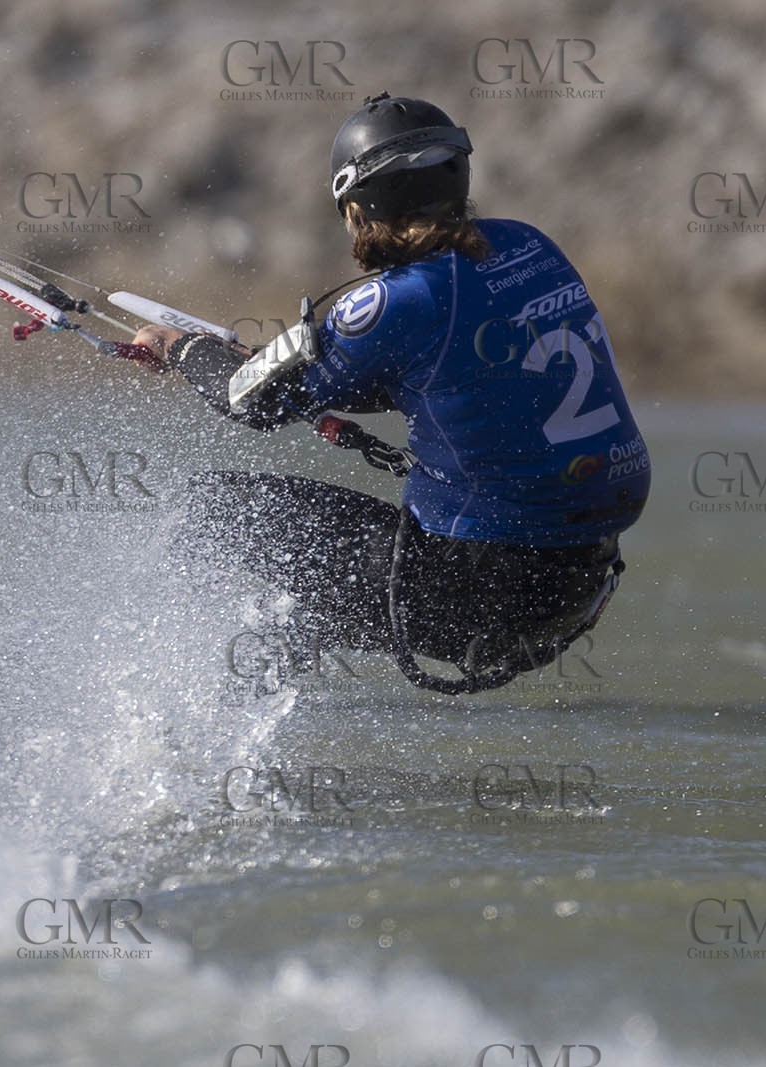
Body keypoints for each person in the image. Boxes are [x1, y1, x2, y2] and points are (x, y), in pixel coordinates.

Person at [131, 93, 650, 694]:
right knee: (298, 610)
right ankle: (265, 694)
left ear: (358, 207)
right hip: (572, 593)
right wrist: (310, 369)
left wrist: (178, 347)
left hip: (465, 594)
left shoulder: (396, 301)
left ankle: (165, 713)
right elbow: (453, 372)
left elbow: (251, 401)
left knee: (207, 511)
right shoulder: (529, 246)